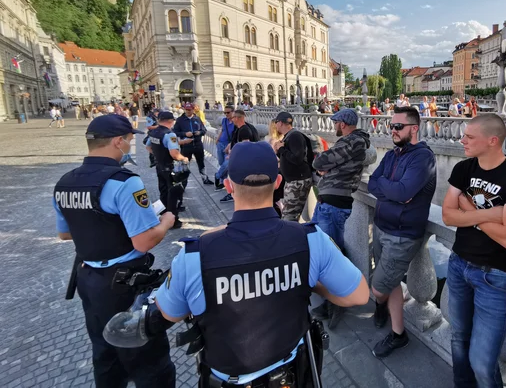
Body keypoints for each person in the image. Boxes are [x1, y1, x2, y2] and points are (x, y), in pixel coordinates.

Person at [132, 142, 370, 386]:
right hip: (293, 376)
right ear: (278, 183)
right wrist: (309, 280)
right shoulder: (310, 239)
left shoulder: (195, 255)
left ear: (228, 186)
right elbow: (359, 295)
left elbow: (169, 313)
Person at [54, 115, 176, 387]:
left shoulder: (64, 182)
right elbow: (143, 242)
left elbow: (64, 233)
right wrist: (167, 221)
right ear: (118, 142)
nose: (130, 147)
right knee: (149, 359)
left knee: (105, 353)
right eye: (130, 141)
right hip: (125, 285)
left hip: (89, 280)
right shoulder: (123, 182)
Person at [442, 113, 506, 388]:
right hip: (459, 264)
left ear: (493, 141)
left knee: (482, 360)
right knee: (458, 339)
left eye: (470, 137)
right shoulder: (464, 168)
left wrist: (470, 210)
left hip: (496, 276)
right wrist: (491, 214)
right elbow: (448, 215)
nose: (462, 140)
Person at [367, 106, 437, 358]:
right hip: (383, 226)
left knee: (378, 287)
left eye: (398, 126)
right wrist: (392, 189)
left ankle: (380, 304)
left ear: (414, 128)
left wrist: (393, 190)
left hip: (403, 233)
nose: (392, 130)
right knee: (390, 280)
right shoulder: (393, 154)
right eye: (391, 125)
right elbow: (373, 182)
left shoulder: (423, 157)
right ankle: (398, 333)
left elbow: (404, 192)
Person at [311, 108, 371, 328]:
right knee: (325, 252)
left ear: (343, 123)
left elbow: (320, 163)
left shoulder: (352, 142)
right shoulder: (350, 142)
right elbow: (323, 167)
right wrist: (326, 167)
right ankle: (330, 302)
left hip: (335, 205)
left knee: (332, 256)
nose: (334, 126)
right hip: (329, 203)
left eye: (336, 122)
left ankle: (337, 305)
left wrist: (325, 166)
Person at [146, 111, 191, 228]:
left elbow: (148, 147)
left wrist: (158, 155)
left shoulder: (153, 132)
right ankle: (173, 221)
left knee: (163, 192)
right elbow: (174, 154)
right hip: (170, 167)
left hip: (159, 166)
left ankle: (163, 214)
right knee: (173, 194)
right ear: (171, 121)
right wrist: (184, 158)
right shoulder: (170, 134)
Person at [273, 111, 314, 222]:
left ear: (280, 123)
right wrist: (278, 151)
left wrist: (282, 149)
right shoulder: (288, 136)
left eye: (276, 122)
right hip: (293, 181)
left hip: (298, 181)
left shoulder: (295, 136)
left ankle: (291, 237)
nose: (275, 125)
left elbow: (297, 159)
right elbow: (288, 157)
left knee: (289, 217)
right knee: (289, 215)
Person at [218, 108, 260, 202]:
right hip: (240, 159)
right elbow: (236, 141)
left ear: (237, 118)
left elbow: (246, 146)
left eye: (233, 118)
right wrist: (230, 147)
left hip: (243, 161)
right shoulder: (241, 128)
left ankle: (235, 195)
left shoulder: (244, 130)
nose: (231, 120)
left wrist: (234, 155)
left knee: (236, 178)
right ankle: (234, 193)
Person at [173, 103, 213, 185]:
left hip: (198, 144)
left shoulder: (197, 118)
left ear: (193, 109)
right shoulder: (180, 120)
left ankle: (205, 179)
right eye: (186, 110)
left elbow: (204, 130)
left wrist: (200, 132)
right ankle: (183, 183)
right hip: (186, 145)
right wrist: (185, 134)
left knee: (201, 162)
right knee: (185, 164)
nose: (188, 111)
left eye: (189, 110)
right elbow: (175, 132)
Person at [214, 106, 235, 190]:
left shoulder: (235, 122)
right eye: (225, 113)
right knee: (221, 162)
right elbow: (222, 130)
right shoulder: (224, 120)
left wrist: (230, 144)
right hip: (220, 143)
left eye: (228, 112)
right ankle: (223, 182)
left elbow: (235, 135)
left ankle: (217, 176)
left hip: (228, 145)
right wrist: (217, 140)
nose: (226, 114)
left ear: (233, 112)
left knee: (227, 164)